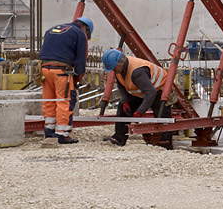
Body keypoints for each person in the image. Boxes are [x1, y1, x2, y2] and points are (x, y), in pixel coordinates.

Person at [37, 15, 93, 145]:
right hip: (61, 72)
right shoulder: (79, 34)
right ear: (85, 28)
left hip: (44, 69)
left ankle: (49, 131)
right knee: (64, 101)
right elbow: (81, 60)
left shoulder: (53, 29)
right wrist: (77, 78)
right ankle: (62, 134)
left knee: (49, 101)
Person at [99, 46, 164, 145]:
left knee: (162, 115)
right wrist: (125, 101)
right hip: (143, 90)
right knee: (122, 107)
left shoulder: (137, 72)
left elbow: (151, 93)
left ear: (121, 63)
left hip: (160, 89)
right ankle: (119, 138)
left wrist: (140, 111)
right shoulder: (118, 69)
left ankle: (165, 143)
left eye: (114, 68)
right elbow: (121, 84)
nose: (113, 71)